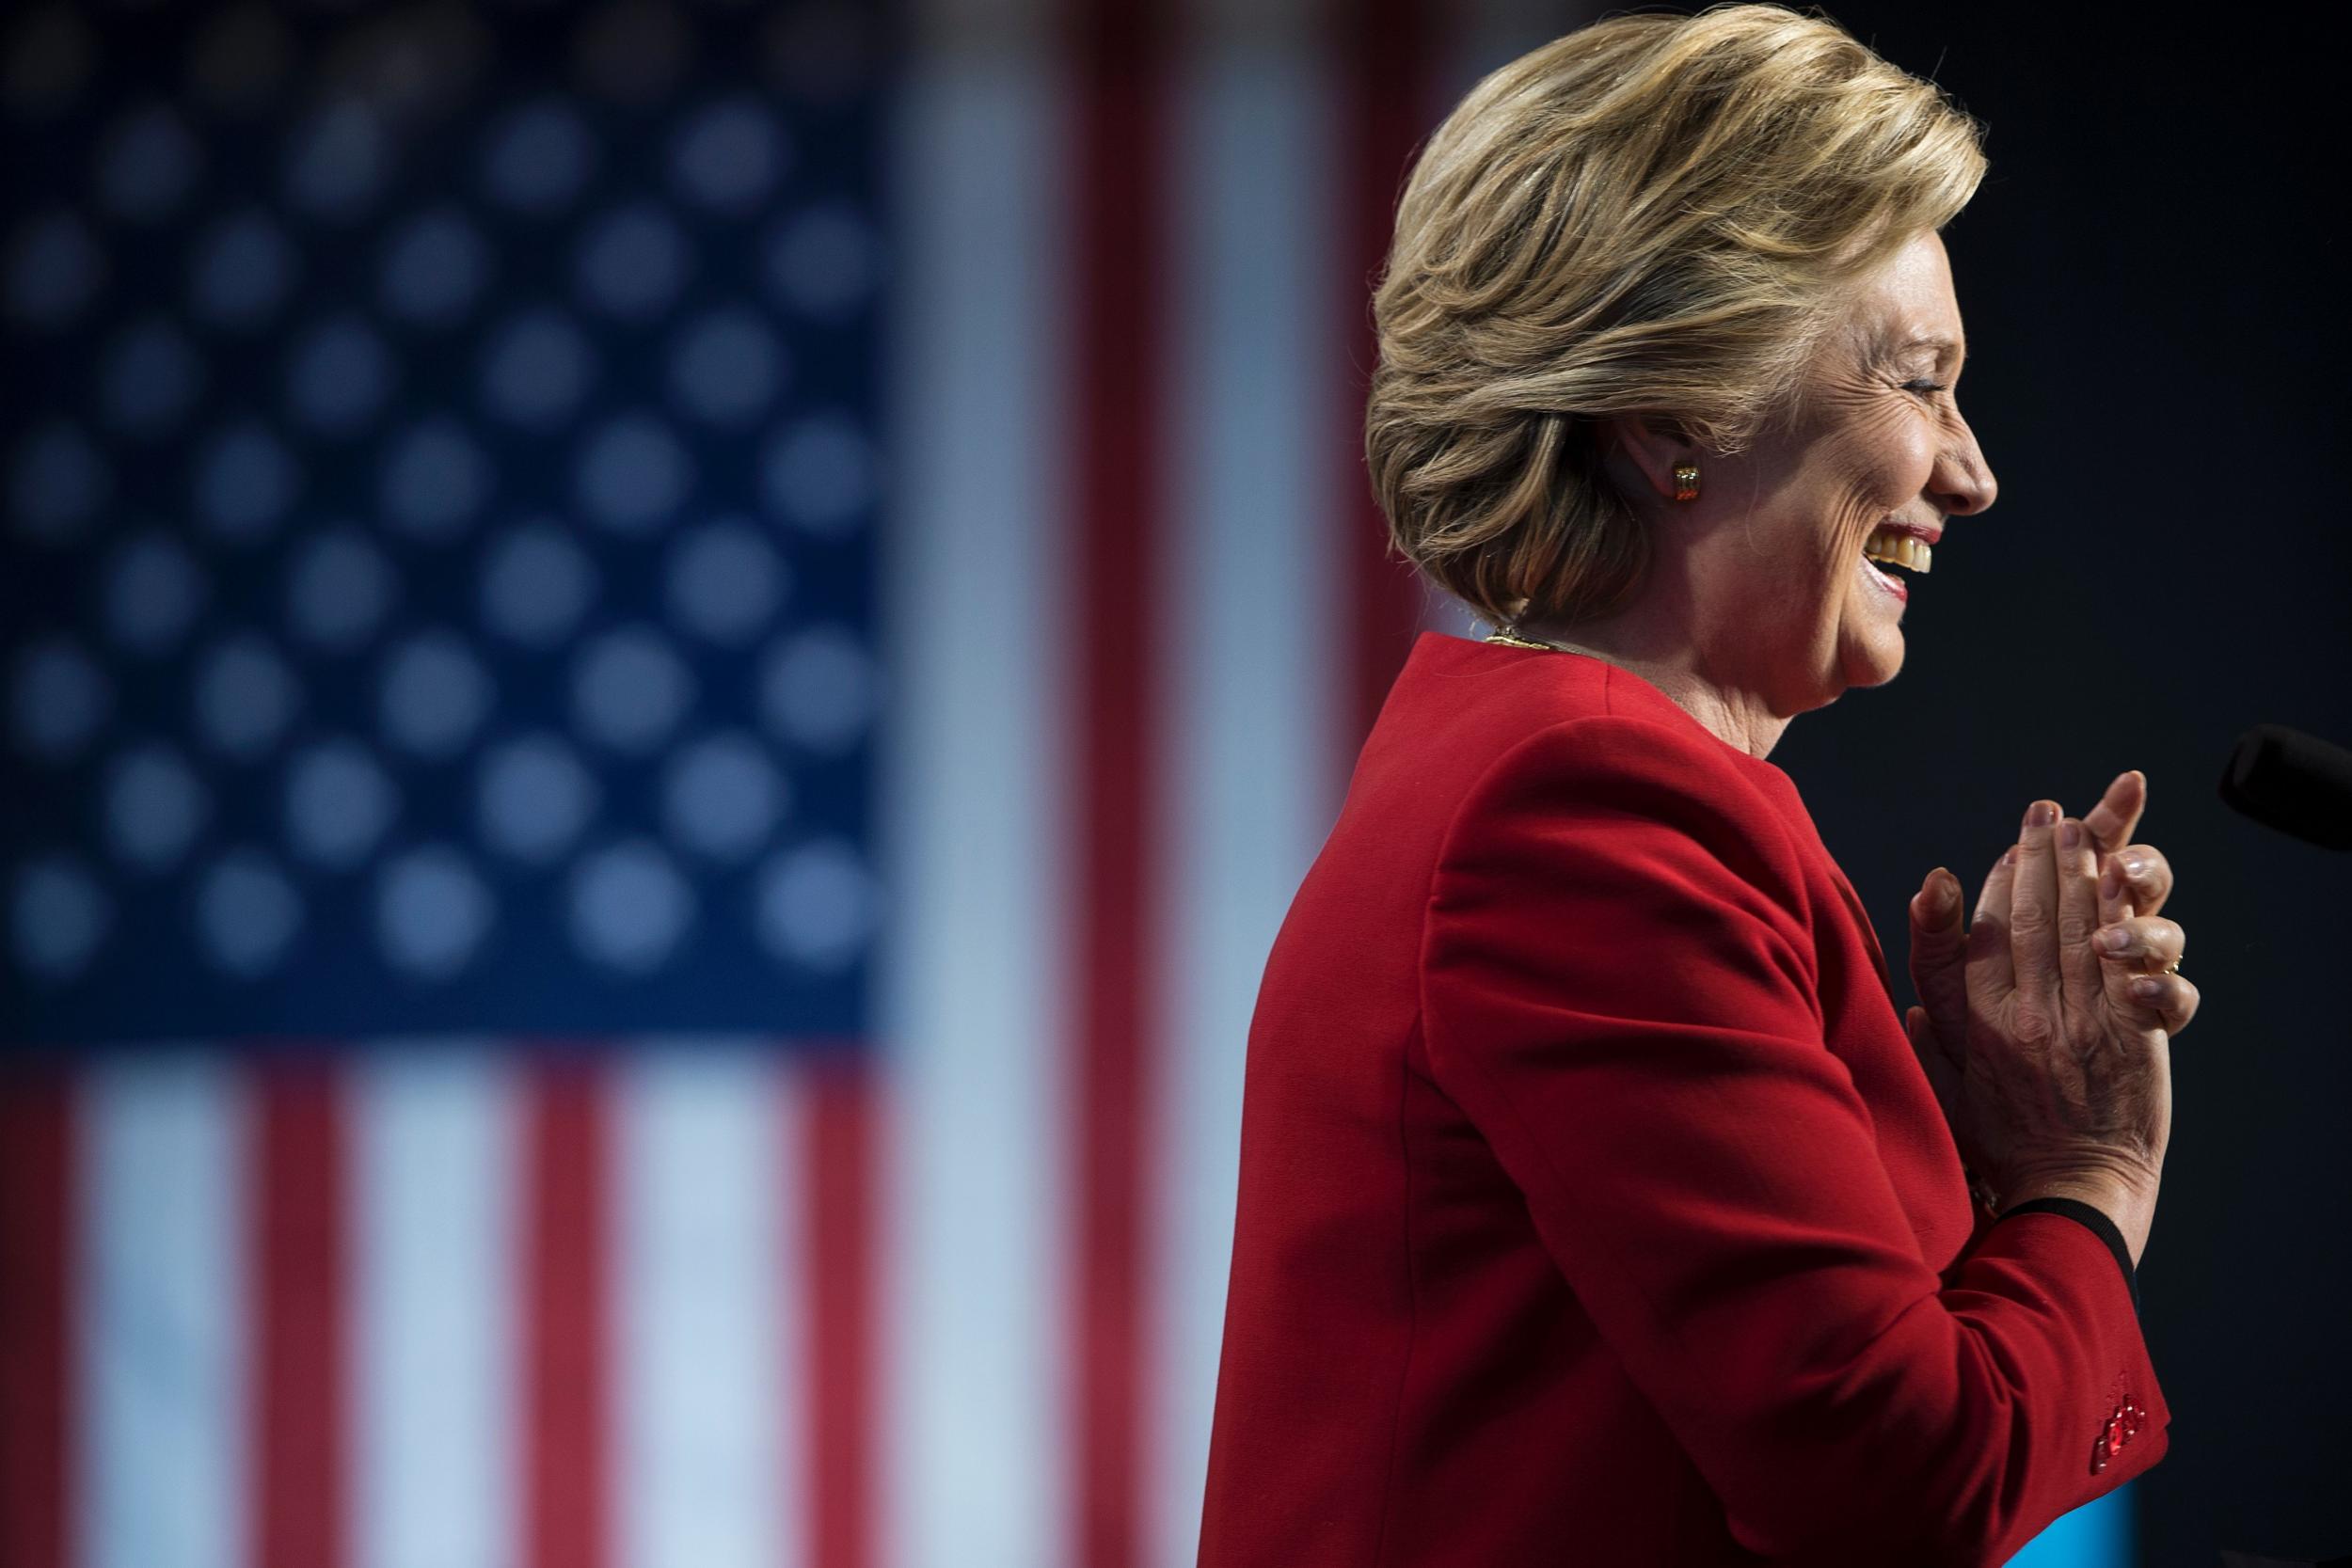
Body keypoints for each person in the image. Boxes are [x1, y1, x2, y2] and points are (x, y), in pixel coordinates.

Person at [1195, 6, 2200, 1565]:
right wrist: (2087, 1175)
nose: (1972, 468)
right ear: (1675, 415)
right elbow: (1897, 1482)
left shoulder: (1533, 770)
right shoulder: (1585, 812)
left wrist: (1984, 1170)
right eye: (1918, 382)